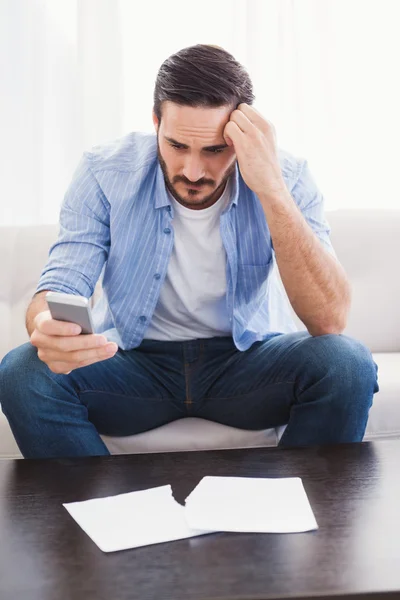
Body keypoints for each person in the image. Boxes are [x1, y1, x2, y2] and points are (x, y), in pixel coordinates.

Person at [0, 44, 378, 459]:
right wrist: (46, 324)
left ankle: (297, 507)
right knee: (22, 373)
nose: (193, 172)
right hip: (132, 364)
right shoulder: (104, 172)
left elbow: (329, 319)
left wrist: (270, 189)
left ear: (243, 134)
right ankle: (104, 511)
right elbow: (64, 278)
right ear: (156, 122)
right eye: (177, 145)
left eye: (215, 150)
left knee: (346, 364)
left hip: (246, 365)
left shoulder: (287, 177)